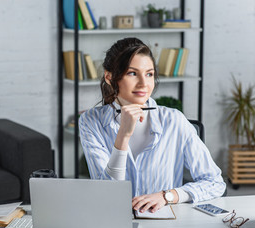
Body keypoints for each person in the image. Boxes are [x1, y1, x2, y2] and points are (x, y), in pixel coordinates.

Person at [79, 37, 226, 213]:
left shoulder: (174, 121)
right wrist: (123, 136)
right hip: (113, 220)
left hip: (165, 223)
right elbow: (106, 194)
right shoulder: (90, 121)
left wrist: (168, 196)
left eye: (149, 74)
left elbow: (215, 183)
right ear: (109, 77)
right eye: (132, 73)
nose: (144, 83)